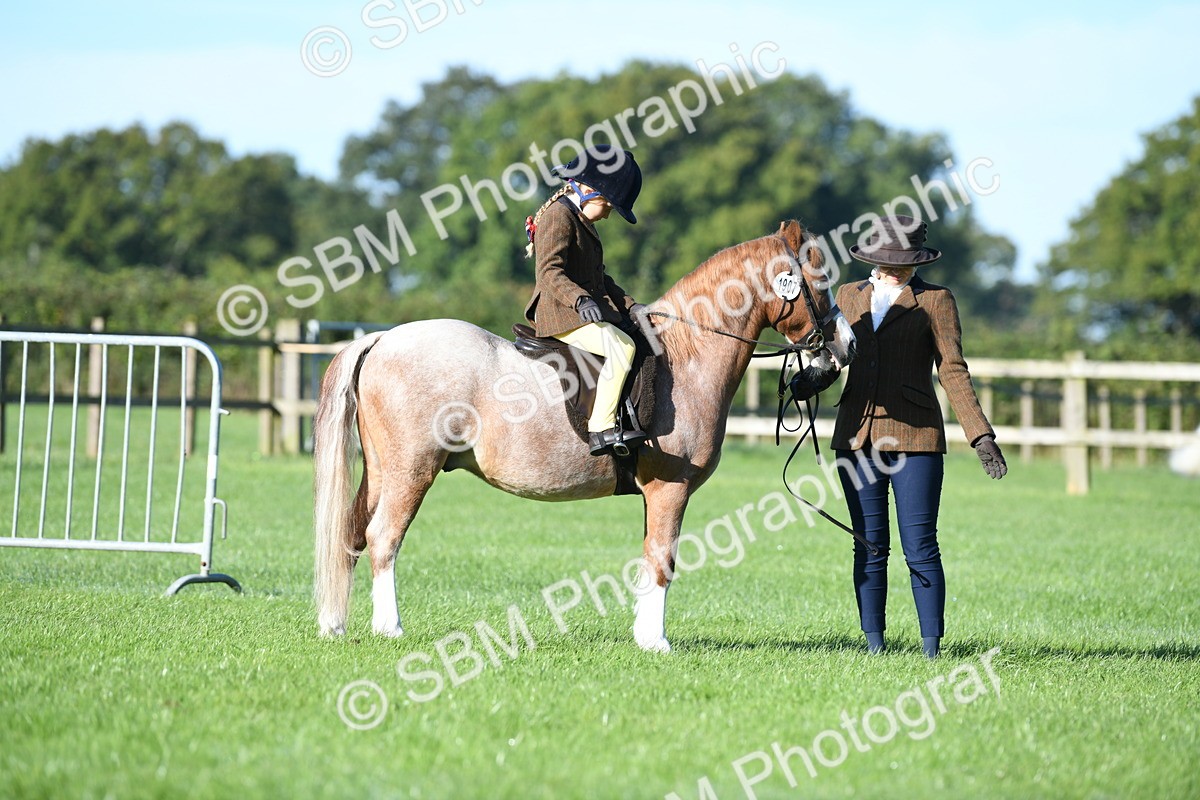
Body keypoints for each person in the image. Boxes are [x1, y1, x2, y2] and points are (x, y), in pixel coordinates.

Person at [830, 214, 1007, 658]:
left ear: (916, 260)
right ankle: (874, 645)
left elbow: (952, 368)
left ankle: (931, 647)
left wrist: (980, 435)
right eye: (886, 260)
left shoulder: (936, 300)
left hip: (916, 439)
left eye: (902, 261)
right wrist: (811, 381)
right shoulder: (847, 295)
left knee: (920, 547)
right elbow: (832, 356)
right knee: (868, 546)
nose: (893, 268)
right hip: (856, 436)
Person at [522, 144, 647, 456]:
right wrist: (579, 300)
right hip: (559, 312)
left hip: (579, 311)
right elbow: (549, 272)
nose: (607, 214)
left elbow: (600, 279)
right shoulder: (558, 216)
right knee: (622, 346)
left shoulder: (581, 220)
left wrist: (633, 307)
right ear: (589, 190)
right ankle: (601, 428)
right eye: (607, 205)